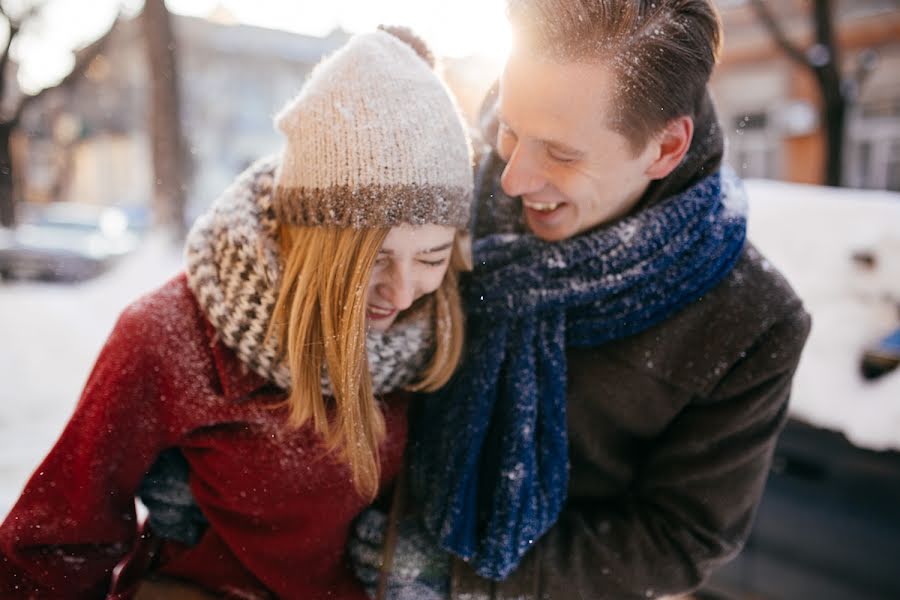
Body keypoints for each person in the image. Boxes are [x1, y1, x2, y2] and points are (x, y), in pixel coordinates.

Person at [350, 1, 812, 599]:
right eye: (509, 130)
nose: (512, 178)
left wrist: (463, 576)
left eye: (562, 154)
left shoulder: (748, 322)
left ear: (665, 149)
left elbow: (679, 539)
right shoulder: (444, 191)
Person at [0, 28, 473, 599]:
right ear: (311, 238)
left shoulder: (437, 329)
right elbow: (55, 545)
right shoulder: (172, 336)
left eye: (431, 257)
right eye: (370, 262)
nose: (401, 293)